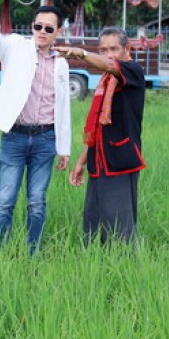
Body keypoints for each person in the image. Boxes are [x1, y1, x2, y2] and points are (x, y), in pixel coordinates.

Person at [0, 6, 71, 253]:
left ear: (57, 32)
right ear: (32, 26)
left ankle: (33, 254)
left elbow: (63, 107)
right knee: (5, 201)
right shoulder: (17, 47)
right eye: (38, 26)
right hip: (15, 136)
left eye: (49, 29)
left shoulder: (61, 64)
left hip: (46, 138)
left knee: (37, 202)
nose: (42, 32)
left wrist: (64, 148)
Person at [61, 27, 146, 245]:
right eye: (103, 49)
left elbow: (109, 65)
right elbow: (99, 128)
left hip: (120, 159)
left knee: (120, 227)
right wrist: (81, 161)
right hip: (98, 161)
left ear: (127, 49)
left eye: (114, 49)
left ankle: (126, 267)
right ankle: (96, 265)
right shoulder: (106, 81)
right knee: (94, 223)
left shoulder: (132, 70)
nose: (108, 54)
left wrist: (81, 53)